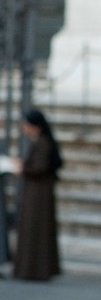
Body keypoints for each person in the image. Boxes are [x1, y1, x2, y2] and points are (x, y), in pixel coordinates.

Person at [10, 108, 63, 281]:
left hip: (38, 195)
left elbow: (39, 168)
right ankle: (31, 270)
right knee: (33, 231)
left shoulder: (43, 143)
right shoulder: (42, 141)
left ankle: (34, 270)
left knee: (35, 231)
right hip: (37, 192)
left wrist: (22, 168)